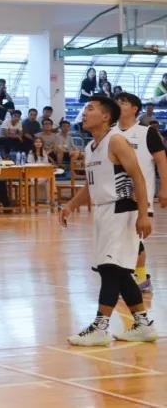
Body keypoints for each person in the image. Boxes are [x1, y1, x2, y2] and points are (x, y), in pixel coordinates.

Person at [60, 96, 155, 345]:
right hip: (103, 212)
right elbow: (91, 185)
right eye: (84, 108)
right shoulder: (91, 147)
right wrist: (71, 205)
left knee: (110, 270)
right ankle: (143, 324)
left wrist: (143, 214)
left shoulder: (116, 141)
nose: (84, 113)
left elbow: (138, 177)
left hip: (122, 209)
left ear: (105, 116)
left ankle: (100, 327)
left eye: (90, 109)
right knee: (120, 272)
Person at [115, 92, 167, 294]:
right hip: (114, 197)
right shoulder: (110, 133)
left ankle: (141, 278)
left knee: (135, 239)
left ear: (135, 108)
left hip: (140, 197)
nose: (118, 105)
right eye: (116, 102)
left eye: (123, 102)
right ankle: (136, 277)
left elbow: (162, 161)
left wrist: (164, 188)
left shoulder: (147, 133)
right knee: (122, 241)